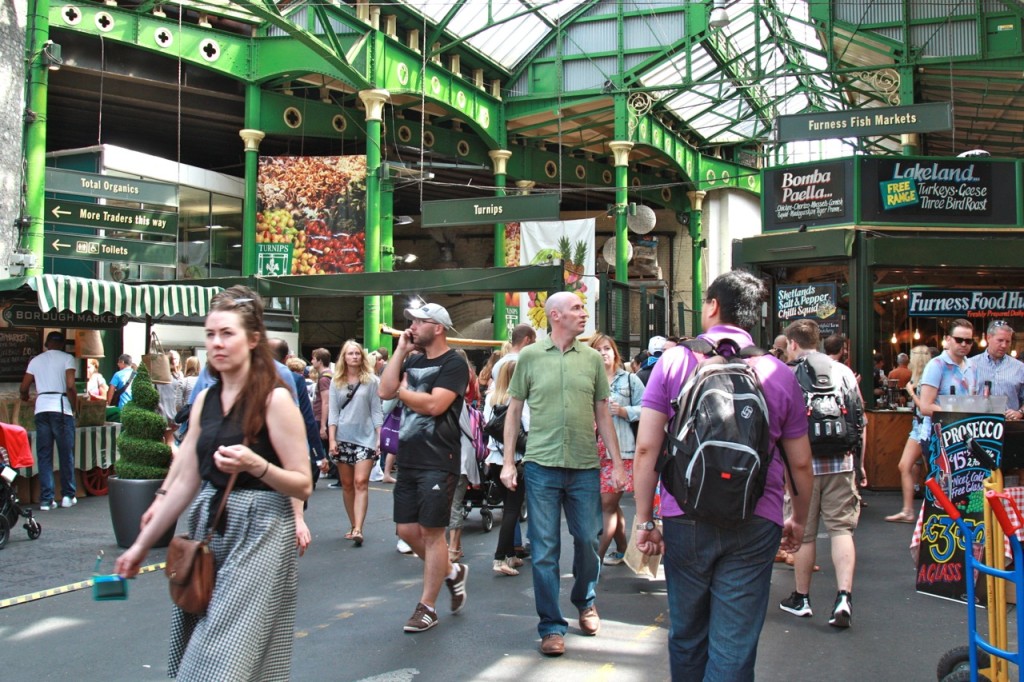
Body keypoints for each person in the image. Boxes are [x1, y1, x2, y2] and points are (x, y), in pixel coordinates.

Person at [115, 286, 312, 681]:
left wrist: (257, 464)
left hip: (262, 530)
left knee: (219, 655)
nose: (216, 344)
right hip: (212, 524)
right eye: (210, 335)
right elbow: (184, 477)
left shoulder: (275, 401)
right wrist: (139, 546)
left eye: (227, 334)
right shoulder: (206, 400)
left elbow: (303, 484)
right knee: (212, 644)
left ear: (253, 340)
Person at [632, 269, 814, 681]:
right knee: (734, 643)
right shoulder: (779, 373)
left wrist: (646, 518)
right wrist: (798, 520)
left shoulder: (674, 361)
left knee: (687, 633)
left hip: (685, 514)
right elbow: (800, 463)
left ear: (713, 306)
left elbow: (647, 448)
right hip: (757, 516)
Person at [499, 291, 626, 657]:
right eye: (576, 308)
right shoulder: (530, 357)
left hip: (585, 466)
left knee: (588, 540)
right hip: (541, 466)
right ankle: (551, 626)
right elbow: (513, 410)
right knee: (544, 550)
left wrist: (616, 464)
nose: (583, 314)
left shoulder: (591, 360)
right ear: (555, 316)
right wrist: (509, 462)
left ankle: (584, 600)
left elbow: (603, 414)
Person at [379, 302, 470, 633]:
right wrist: (400, 350)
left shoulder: (453, 363)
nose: (413, 326)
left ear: (439, 328)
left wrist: (403, 393)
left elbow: (435, 405)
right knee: (405, 530)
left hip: (438, 458)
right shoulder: (413, 359)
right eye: (412, 321)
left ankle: (427, 607)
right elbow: (384, 389)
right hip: (410, 457)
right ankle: (451, 572)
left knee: (432, 533)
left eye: (420, 321)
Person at [779, 319, 864, 629]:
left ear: (792, 343)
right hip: (841, 463)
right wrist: (860, 465)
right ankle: (844, 596)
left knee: (805, 532)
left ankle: (802, 598)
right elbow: (859, 419)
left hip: (801, 466)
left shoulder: (787, 374)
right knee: (842, 530)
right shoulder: (842, 372)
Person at [589, 332, 644, 566]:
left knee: (607, 505)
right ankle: (622, 548)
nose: (603, 354)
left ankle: (594, 560)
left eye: (607, 349)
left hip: (620, 450)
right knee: (609, 505)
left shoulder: (630, 380)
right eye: (598, 349)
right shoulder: (588, 380)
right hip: (592, 450)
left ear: (615, 353)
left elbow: (648, 409)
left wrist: (624, 412)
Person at [324, 340, 383, 547]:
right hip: (342, 437)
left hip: (365, 438)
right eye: (350, 354)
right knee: (347, 485)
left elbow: (377, 411)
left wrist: (379, 437)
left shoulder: (372, 381)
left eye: (357, 353)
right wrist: (331, 439)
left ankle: (358, 527)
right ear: (344, 357)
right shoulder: (336, 381)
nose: (355, 357)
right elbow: (333, 412)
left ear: (362, 357)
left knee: (360, 482)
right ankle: (353, 525)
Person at [20, 331, 78, 511]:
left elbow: (24, 387)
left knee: (44, 455)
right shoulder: (67, 359)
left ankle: (46, 499)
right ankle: (68, 495)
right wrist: (74, 404)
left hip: (42, 408)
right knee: (65, 453)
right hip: (61, 408)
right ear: (61, 345)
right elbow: (70, 385)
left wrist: (26, 398)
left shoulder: (35, 360)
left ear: (46, 344)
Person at [484, 360, 529, 575]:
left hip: (494, 459)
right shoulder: (521, 400)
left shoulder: (491, 398)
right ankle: (500, 557)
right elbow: (528, 427)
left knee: (508, 506)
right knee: (513, 509)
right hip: (516, 460)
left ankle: (510, 554)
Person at [885, 345, 935, 523]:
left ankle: (934, 510)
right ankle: (908, 511)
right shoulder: (919, 377)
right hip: (918, 426)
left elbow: (924, 407)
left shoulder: (925, 380)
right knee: (905, 465)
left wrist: (911, 392)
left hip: (926, 427)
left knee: (933, 471)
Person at [968, 319, 1024, 421]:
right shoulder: (970, 364)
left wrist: (1020, 413)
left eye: (1008, 341)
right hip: (978, 425)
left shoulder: (1020, 367)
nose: (1004, 345)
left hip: (1009, 426)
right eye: (1000, 340)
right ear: (989, 337)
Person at [488, 323, 537, 391]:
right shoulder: (527, 365)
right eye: (534, 340)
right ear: (527, 340)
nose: (535, 343)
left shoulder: (497, 365)